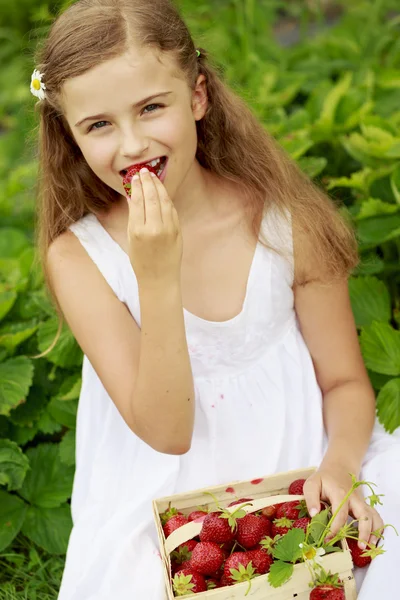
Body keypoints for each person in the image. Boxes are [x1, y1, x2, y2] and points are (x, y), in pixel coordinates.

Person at [30, 0, 399, 598]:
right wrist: (157, 278)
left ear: (198, 96)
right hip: (164, 488)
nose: (131, 145)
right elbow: (169, 431)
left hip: (301, 461)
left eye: (151, 107)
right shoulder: (80, 258)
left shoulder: (284, 222)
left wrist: (338, 465)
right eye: (98, 124)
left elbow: (345, 383)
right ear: (69, 135)